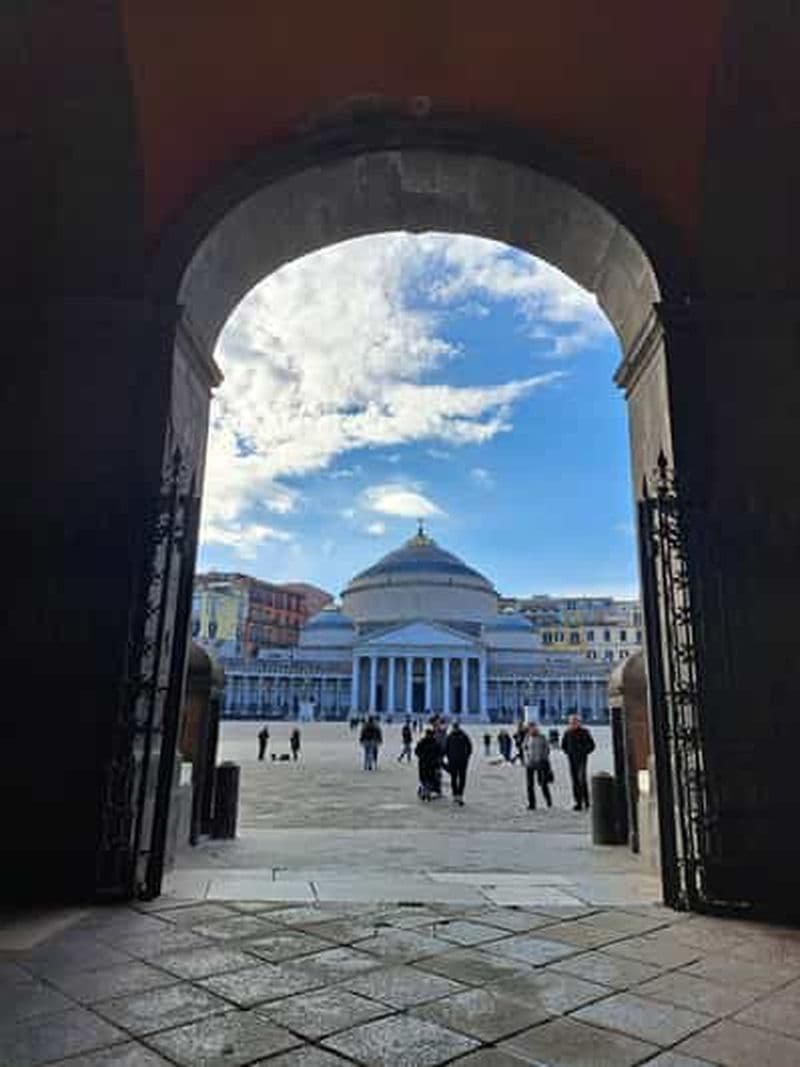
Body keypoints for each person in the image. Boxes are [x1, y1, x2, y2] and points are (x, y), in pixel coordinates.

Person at [561, 713, 595, 810]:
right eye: (571, 722)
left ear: (579, 722)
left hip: (582, 759)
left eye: (575, 722)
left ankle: (586, 801)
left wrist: (584, 751)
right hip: (571, 759)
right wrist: (568, 752)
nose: (573, 724)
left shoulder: (585, 732)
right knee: (575, 781)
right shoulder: (567, 733)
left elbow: (592, 745)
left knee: (582, 780)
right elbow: (563, 745)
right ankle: (578, 802)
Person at [523, 722, 553, 810]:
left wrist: (543, 758)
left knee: (543, 784)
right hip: (530, 763)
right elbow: (524, 748)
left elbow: (547, 749)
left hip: (541, 763)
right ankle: (532, 804)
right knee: (529, 785)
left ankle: (549, 802)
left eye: (533, 727)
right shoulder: (527, 737)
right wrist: (526, 757)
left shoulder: (542, 737)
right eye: (530, 728)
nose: (532, 729)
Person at [444, 721, 473, 805]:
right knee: (454, 778)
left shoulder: (463, 736)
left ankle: (459, 795)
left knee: (461, 778)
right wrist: (448, 757)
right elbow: (446, 748)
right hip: (454, 761)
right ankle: (455, 795)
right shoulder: (453, 736)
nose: (455, 728)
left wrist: (466, 757)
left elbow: (470, 748)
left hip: (461, 761)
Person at [415, 726, 441, 801]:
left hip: (426, 764)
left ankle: (426, 793)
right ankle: (426, 793)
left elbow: (417, 751)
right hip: (428, 764)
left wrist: (422, 756)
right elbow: (439, 753)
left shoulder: (424, 742)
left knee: (426, 779)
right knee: (427, 779)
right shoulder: (434, 743)